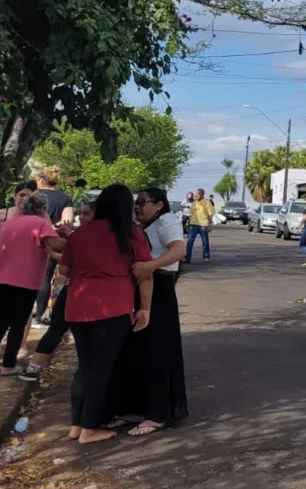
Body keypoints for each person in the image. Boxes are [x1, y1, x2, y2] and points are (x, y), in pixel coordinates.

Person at [61, 184, 153, 444]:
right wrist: (145, 308)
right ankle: (90, 428)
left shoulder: (80, 233)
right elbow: (144, 272)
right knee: (101, 369)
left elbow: (65, 270)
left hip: (78, 306)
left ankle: (76, 425)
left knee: (85, 367)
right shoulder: (130, 233)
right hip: (113, 307)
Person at [106, 188, 188, 436]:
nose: (138, 207)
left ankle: (158, 414)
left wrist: (149, 266)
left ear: (159, 205)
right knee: (135, 350)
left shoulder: (167, 221)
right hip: (140, 286)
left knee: (156, 351)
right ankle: (135, 407)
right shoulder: (140, 225)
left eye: (143, 202)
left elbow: (178, 251)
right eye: (136, 203)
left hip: (159, 287)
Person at [0, 193, 66, 375]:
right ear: (43, 209)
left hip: (0, 278)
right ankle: (9, 364)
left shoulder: (10, 222)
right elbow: (57, 245)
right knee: (18, 322)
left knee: (2, 320)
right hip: (24, 280)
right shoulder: (40, 223)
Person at [20, 201, 93, 383]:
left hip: (80, 290)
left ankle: (34, 368)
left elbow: (65, 265)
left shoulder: (85, 237)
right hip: (80, 291)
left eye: (87, 214)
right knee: (61, 328)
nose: (81, 217)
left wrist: (51, 249)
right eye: (81, 213)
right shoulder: (95, 236)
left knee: (60, 328)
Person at [33, 166, 74, 327]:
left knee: (43, 276)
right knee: (60, 277)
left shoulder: (35, 197)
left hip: (38, 239)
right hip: (58, 240)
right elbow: (67, 222)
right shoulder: (64, 198)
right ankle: (56, 313)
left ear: (41, 180)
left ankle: (38, 315)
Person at [184, 189, 215, 263]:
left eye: (198, 193)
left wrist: (210, 225)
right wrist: (188, 225)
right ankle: (187, 258)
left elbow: (210, 214)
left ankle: (206, 256)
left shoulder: (207, 202)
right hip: (193, 225)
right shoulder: (194, 203)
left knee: (205, 241)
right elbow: (190, 215)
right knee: (189, 242)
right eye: (195, 194)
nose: (195, 195)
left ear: (202, 194)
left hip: (203, 225)